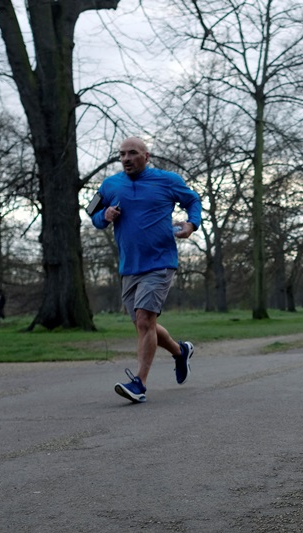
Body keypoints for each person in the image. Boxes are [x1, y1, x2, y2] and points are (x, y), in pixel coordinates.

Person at [91, 136, 202, 404]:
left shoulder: (168, 180)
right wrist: (103, 216)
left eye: (132, 153)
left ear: (146, 156)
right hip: (129, 265)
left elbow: (193, 200)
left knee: (144, 321)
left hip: (160, 261)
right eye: (122, 154)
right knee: (145, 324)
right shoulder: (110, 185)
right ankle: (180, 351)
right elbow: (92, 215)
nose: (126, 158)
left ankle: (139, 383)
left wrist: (191, 224)